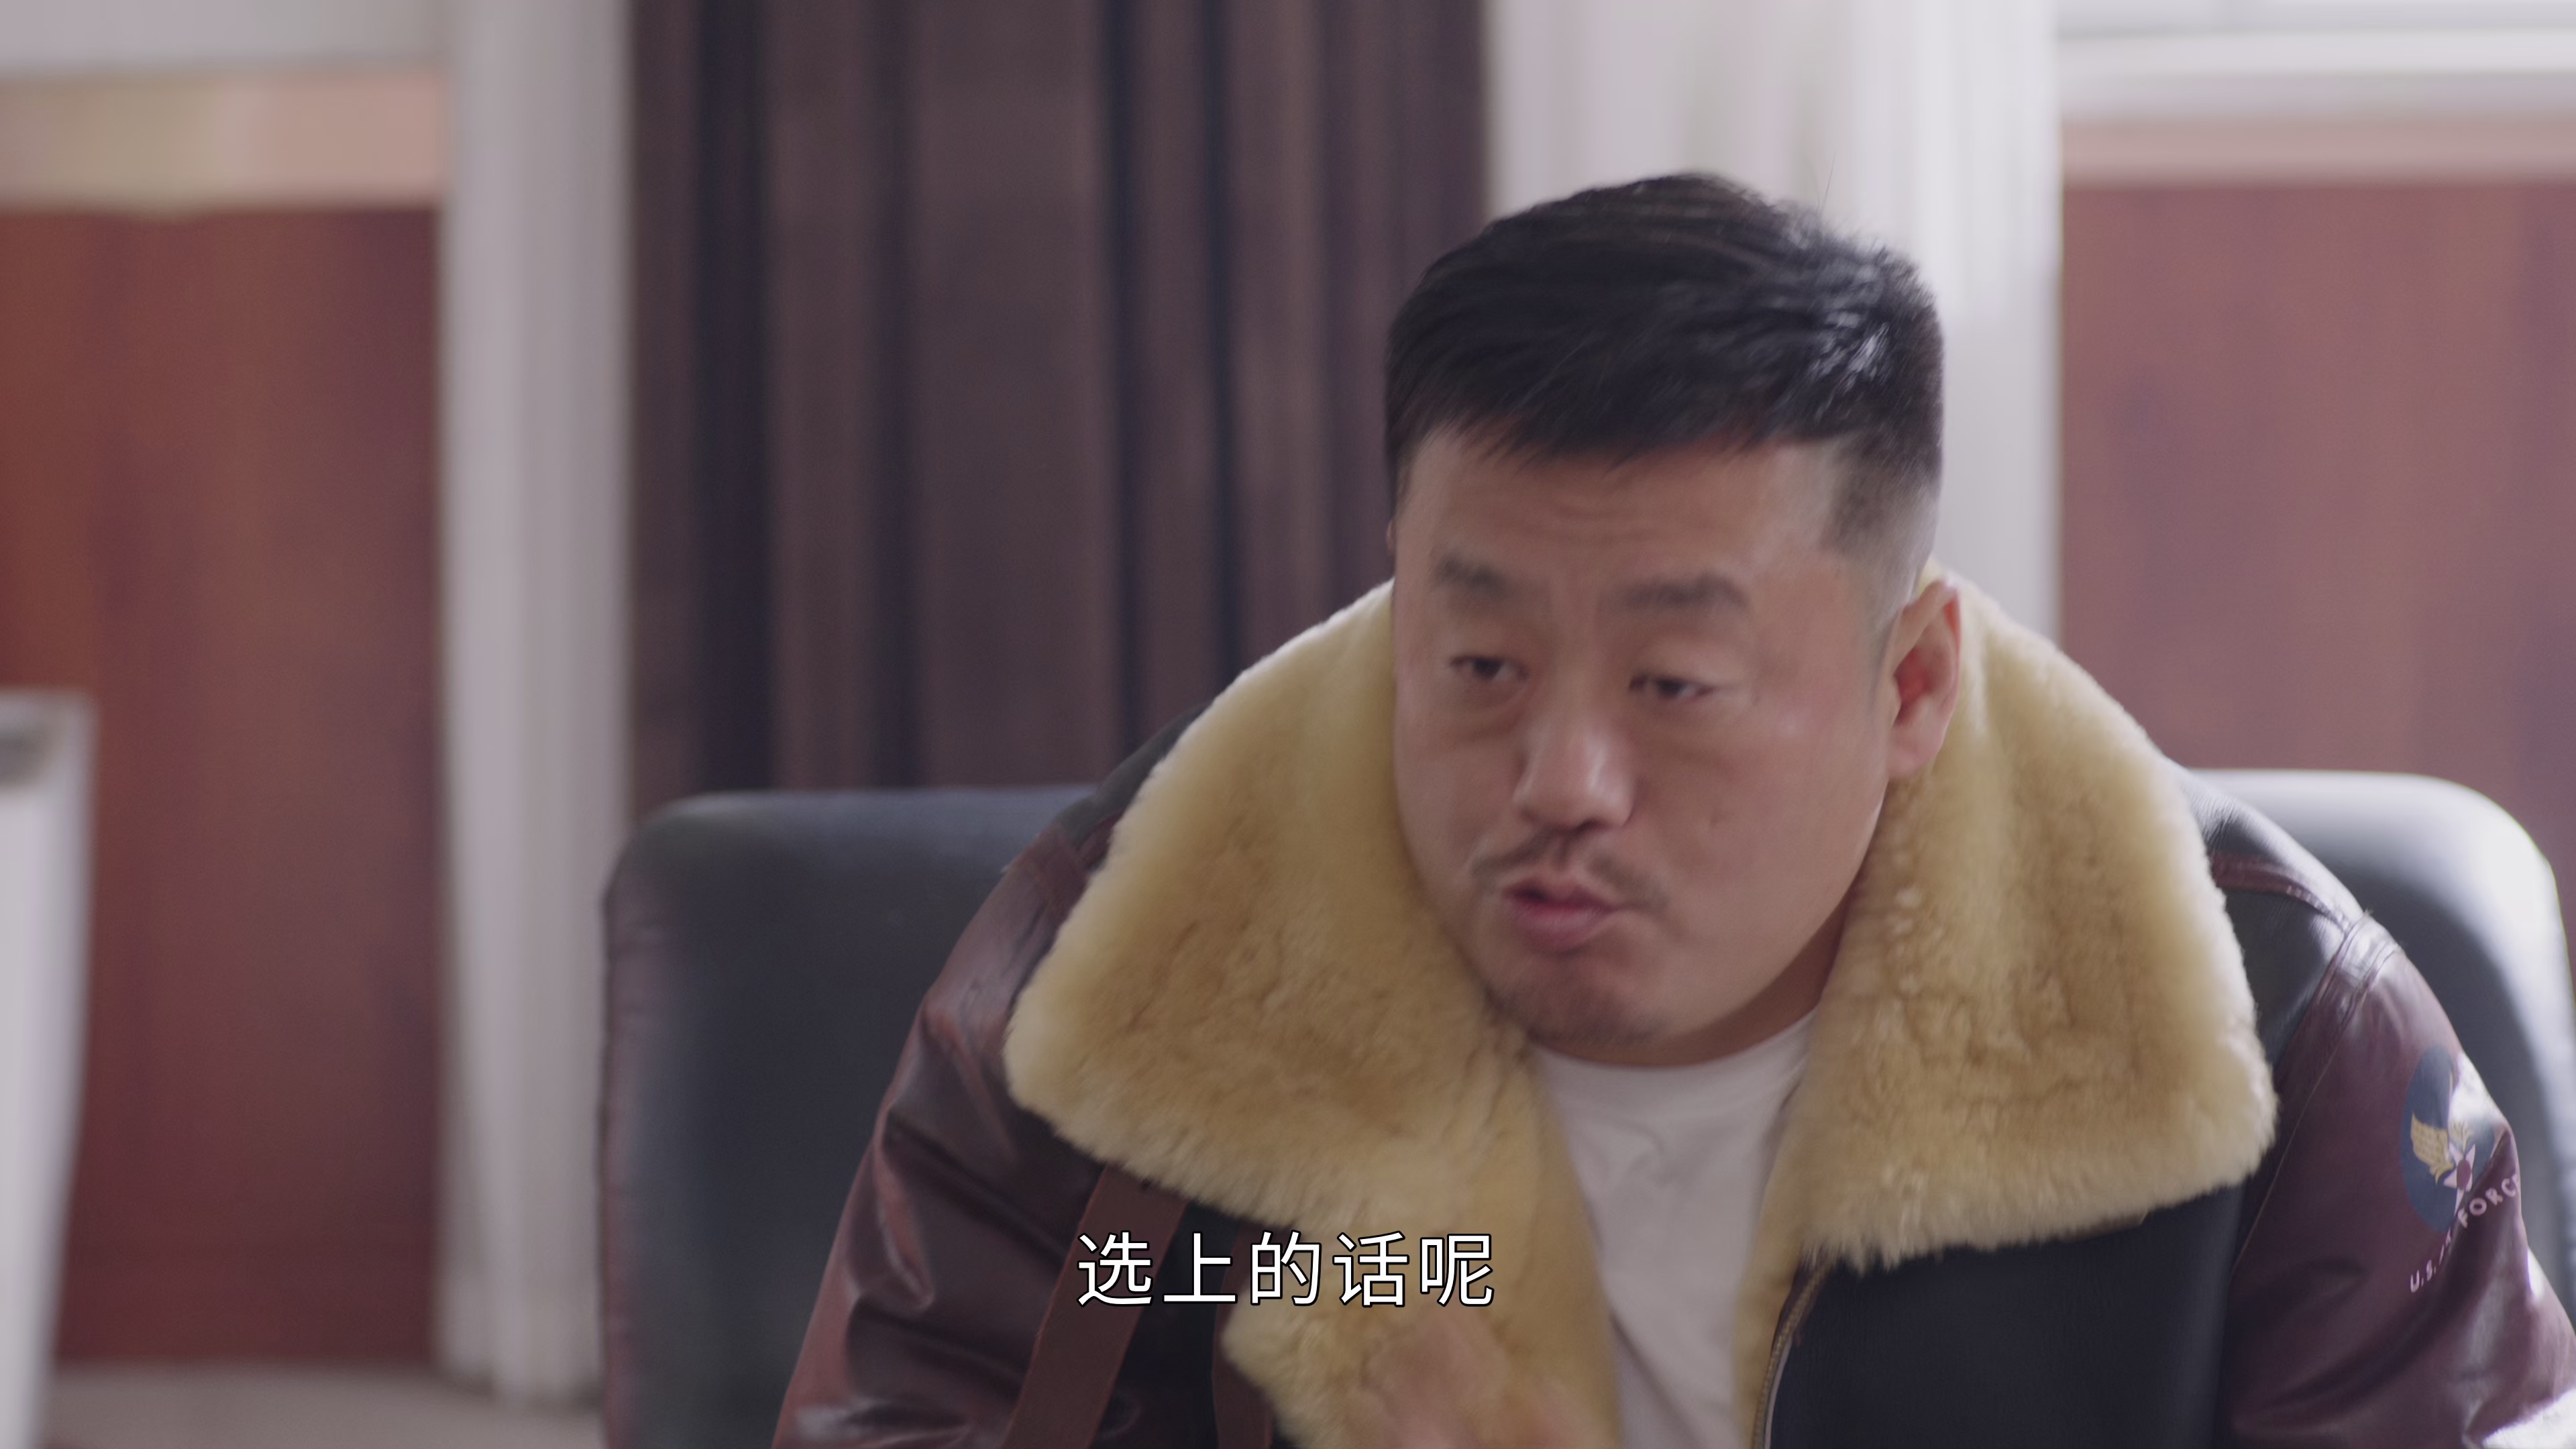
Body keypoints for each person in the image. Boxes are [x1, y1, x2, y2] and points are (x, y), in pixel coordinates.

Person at [772, 174, 2576, 1449]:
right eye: (1481, 665)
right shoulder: (1128, 986)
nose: (1561, 782)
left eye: (1675, 687)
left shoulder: (2261, 1035)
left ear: (1910, 687)